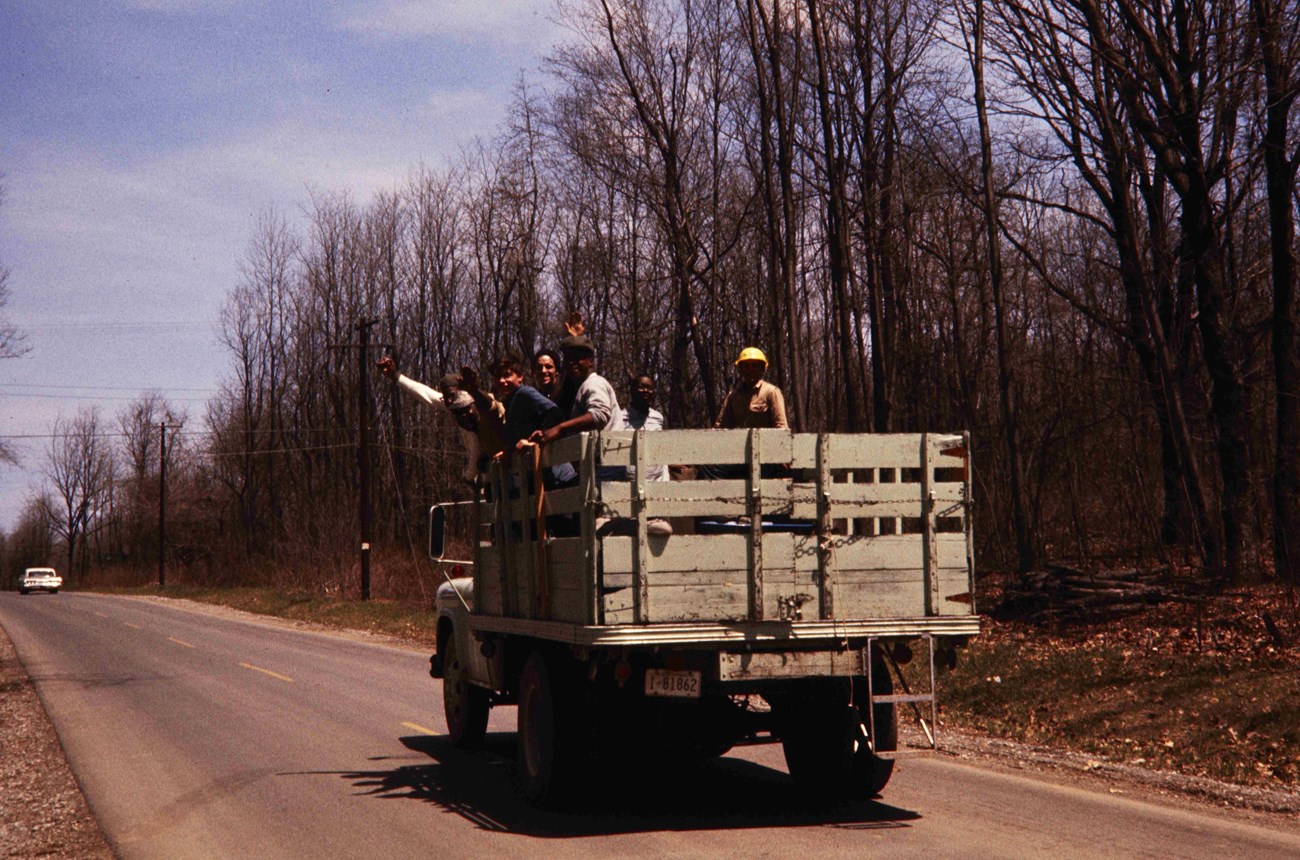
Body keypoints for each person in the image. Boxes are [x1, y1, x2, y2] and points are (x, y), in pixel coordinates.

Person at [377, 356, 504, 485]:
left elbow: (490, 411)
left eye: (451, 396)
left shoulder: (480, 408)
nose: (449, 401)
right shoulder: (455, 405)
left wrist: (468, 477)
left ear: (464, 391)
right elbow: (425, 393)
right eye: (445, 397)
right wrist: (395, 376)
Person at [532, 333, 625, 444]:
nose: (572, 363)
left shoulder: (594, 382)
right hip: (593, 455)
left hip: (609, 456)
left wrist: (560, 428)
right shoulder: (579, 388)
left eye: (577, 358)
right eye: (568, 359)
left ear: (590, 361)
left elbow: (599, 415)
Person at [715, 347, 788, 430]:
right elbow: (720, 428)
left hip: (767, 441)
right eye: (746, 366)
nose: (750, 369)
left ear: (762, 368)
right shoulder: (733, 397)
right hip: (739, 442)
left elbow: (781, 428)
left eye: (754, 365)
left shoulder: (771, 392)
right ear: (741, 369)